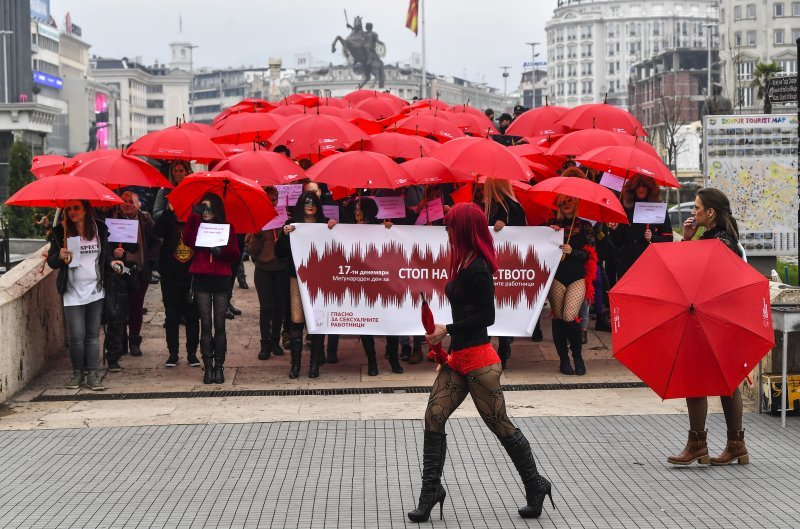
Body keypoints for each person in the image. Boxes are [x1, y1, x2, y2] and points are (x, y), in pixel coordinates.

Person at [408, 203, 554, 523]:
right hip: (458, 358)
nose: (446, 232)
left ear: (462, 229)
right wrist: (445, 337)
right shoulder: (463, 263)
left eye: (450, 226)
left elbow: (487, 317)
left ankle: (535, 483)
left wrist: (447, 329)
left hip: (478, 360)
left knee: (500, 425)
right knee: (434, 416)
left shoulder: (477, 268)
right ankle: (430, 490)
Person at [668, 188, 748, 466]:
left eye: (697, 208)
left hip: (711, 320)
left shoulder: (719, 243)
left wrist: (690, 244)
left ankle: (697, 445)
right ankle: (736, 445)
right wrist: (689, 240)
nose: (693, 213)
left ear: (710, 212)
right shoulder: (717, 239)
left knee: (695, 377)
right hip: (722, 320)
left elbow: (695, 276)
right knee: (727, 382)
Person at [47, 200, 124, 391]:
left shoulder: (99, 228)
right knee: (76, 336)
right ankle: (77, 373)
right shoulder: (60, 232)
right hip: (72, 292)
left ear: (85, 209)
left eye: (76, 208)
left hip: (95, 290)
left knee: (92, 336)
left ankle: (93, 375)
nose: (72, 212)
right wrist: (59, 256)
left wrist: (113, 263)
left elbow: (104, 257)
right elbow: (52, 261)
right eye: (69, 209)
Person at [275, 191, 337, 379]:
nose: (310, 205)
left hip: (319, 280)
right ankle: (295, 365)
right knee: (296, 321)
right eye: (306, 202)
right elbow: (279, 253)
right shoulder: (291, 226)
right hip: (297, 278)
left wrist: (334, 228)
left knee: (317, 321)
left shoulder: (326, 224)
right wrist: (284, 235)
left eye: (314, 203)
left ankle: (314, 365)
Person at [184, 193, 241, 384]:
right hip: (201, 278)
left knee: (220, 324)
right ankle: (207, 367)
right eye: (203, 207)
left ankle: (219, 366)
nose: (206, 212)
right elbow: (187, 240)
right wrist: (194, 215)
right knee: (206, 324)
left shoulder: (228, 227)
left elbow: (235, 254)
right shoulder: (197, 225)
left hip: (221, 278)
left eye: (209, 208)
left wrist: (220, 251)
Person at [547, 195, 596, 376]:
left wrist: (572, 251)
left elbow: (590, 254)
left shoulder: (585, 226)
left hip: (577, 277)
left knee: (570, 316)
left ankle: (578, 357)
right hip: (556, 277)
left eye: (570, 201)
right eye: (563, 201)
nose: (566, 204)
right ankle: (563, 359)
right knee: (559, 319)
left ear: (576, 204)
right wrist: (549, 234)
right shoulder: (551, 225)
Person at [482, 178, 526, 369]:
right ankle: (491, 348)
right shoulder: (488, 206)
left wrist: (506, 227)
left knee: (503, 305)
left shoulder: (512, 207)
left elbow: (521, 234)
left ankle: (503, 346)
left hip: (505, 264)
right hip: (492, 264)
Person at [154, 195, 200, 368]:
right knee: (171, 316)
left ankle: (192, 353)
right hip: (170, 276)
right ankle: (173, 353)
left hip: (192, 276)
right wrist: (169, 211)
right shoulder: (168, 220)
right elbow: (157, 231)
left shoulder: (196, 221)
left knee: (192, 317)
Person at [245, 186, 290, 360]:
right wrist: (256, 235)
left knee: (279, 307)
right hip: (263, 269)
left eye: (273, 200)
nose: (271, 204)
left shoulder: (284, 219)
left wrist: (285, 233)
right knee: (266, 307)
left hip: (281, 268)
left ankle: (275, 341)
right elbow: (250, 250)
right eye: (268, 200)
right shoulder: (257, 219)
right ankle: (264, 343)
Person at [114, 191, 160, 357]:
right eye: (124, 201)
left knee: (136, 306)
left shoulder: (145, 220)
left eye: (130, 202)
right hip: (120, 271)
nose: (127, 204)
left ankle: (134, 340)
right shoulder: (114, 220)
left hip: (140, 271)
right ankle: (121, 341)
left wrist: (150, 259)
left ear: (138, 204)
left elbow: (156, 241)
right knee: (121, 307)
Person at [607, 174, 673, 278]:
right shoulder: (625, 209)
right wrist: (615, 229)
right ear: (633, 188)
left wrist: (653, 238)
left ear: (650, 188)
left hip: (652, 263)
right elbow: (618, 242)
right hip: (628, 265)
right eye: (638, 186)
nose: (641, 189)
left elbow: (669, 239)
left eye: (644, 186)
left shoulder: (658, 209)